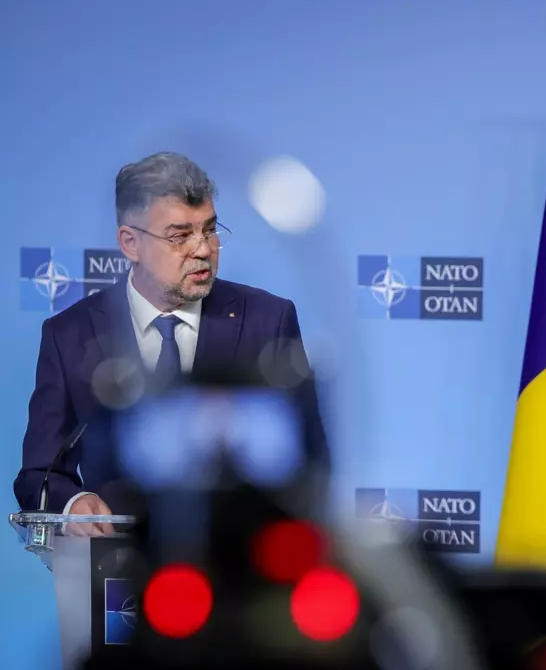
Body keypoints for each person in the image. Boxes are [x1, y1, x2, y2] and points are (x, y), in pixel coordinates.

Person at [13, 152, 329, 528]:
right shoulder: (71, 334)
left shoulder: (268, 318)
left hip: (237, 560)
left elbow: (313, 466)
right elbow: (39, 475)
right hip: (121, 567)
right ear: (130, 244)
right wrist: (74, 503)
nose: (203, 250)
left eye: (210, 230)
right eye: (180, 236)